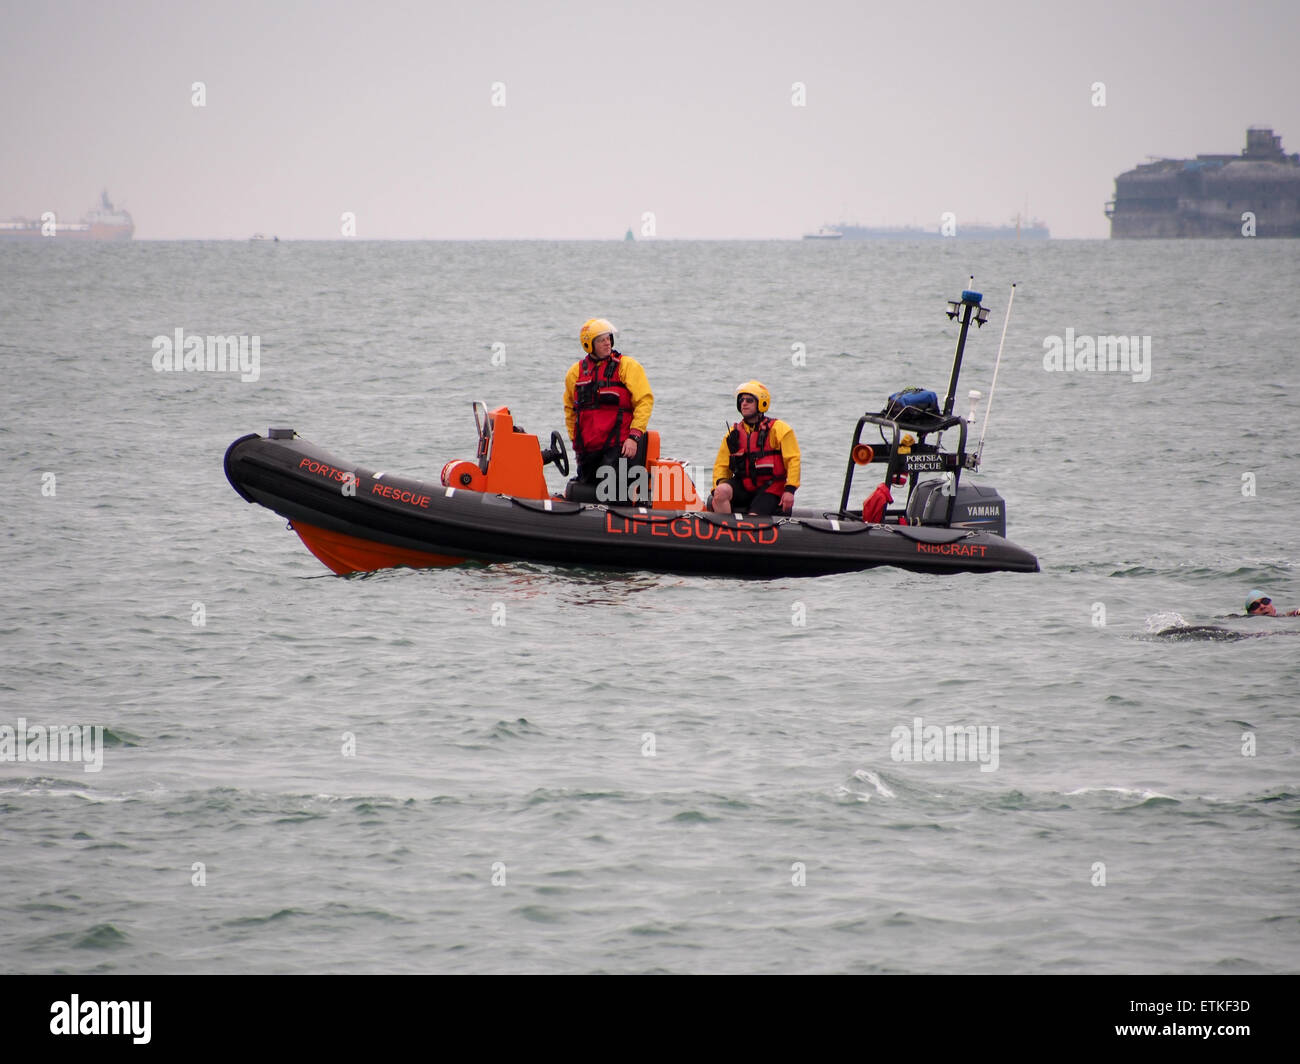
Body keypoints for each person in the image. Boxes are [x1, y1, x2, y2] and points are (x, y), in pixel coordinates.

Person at [563, 318, 653, 502]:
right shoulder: (575, 373)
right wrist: (575, 441)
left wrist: (634, 437)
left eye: (608, 338)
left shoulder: (627, 367)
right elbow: (570, 411)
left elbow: (644, 401)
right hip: (588, 450)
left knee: (613, 492)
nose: (607, 343)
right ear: (589, 345)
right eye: (601, 340)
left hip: (619, 447)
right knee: (585, 491)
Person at [709, 380, 800, 516]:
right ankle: (726, 532)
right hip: (744, 486)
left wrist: (790, 490)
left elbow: (793, 460)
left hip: (771, 488)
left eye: (749, 400)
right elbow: (721, 466)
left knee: (754, 518)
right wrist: (719, 488)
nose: (744, 403)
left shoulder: (779, 429)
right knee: (720, 492)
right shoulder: (733, 434)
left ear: (761, 403)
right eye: (741, 400)